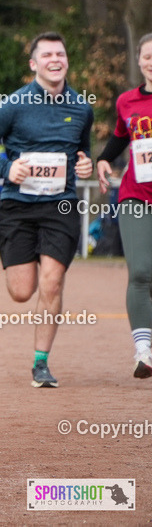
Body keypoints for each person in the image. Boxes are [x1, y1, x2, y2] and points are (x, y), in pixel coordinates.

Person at [0, 31, 93, 388]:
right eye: (47, 55)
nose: (55, 60)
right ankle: (25, 265)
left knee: (52, 283)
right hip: (18, 206)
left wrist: (85, 165)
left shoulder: (82, 107)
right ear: (34, 64)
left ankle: (41, 363)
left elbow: (82, 154)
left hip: (61, 205)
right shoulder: (14, 104)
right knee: (22, 291)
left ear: (66, 60)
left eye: (61, 54)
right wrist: (6, 167)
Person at [96, 32, 152, 378]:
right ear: (139, 60)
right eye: (147, 56)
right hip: (135, 196)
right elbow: (120, 136)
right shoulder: (127, 102)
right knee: (141, 271)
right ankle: (144, 351)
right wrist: (104, 160)